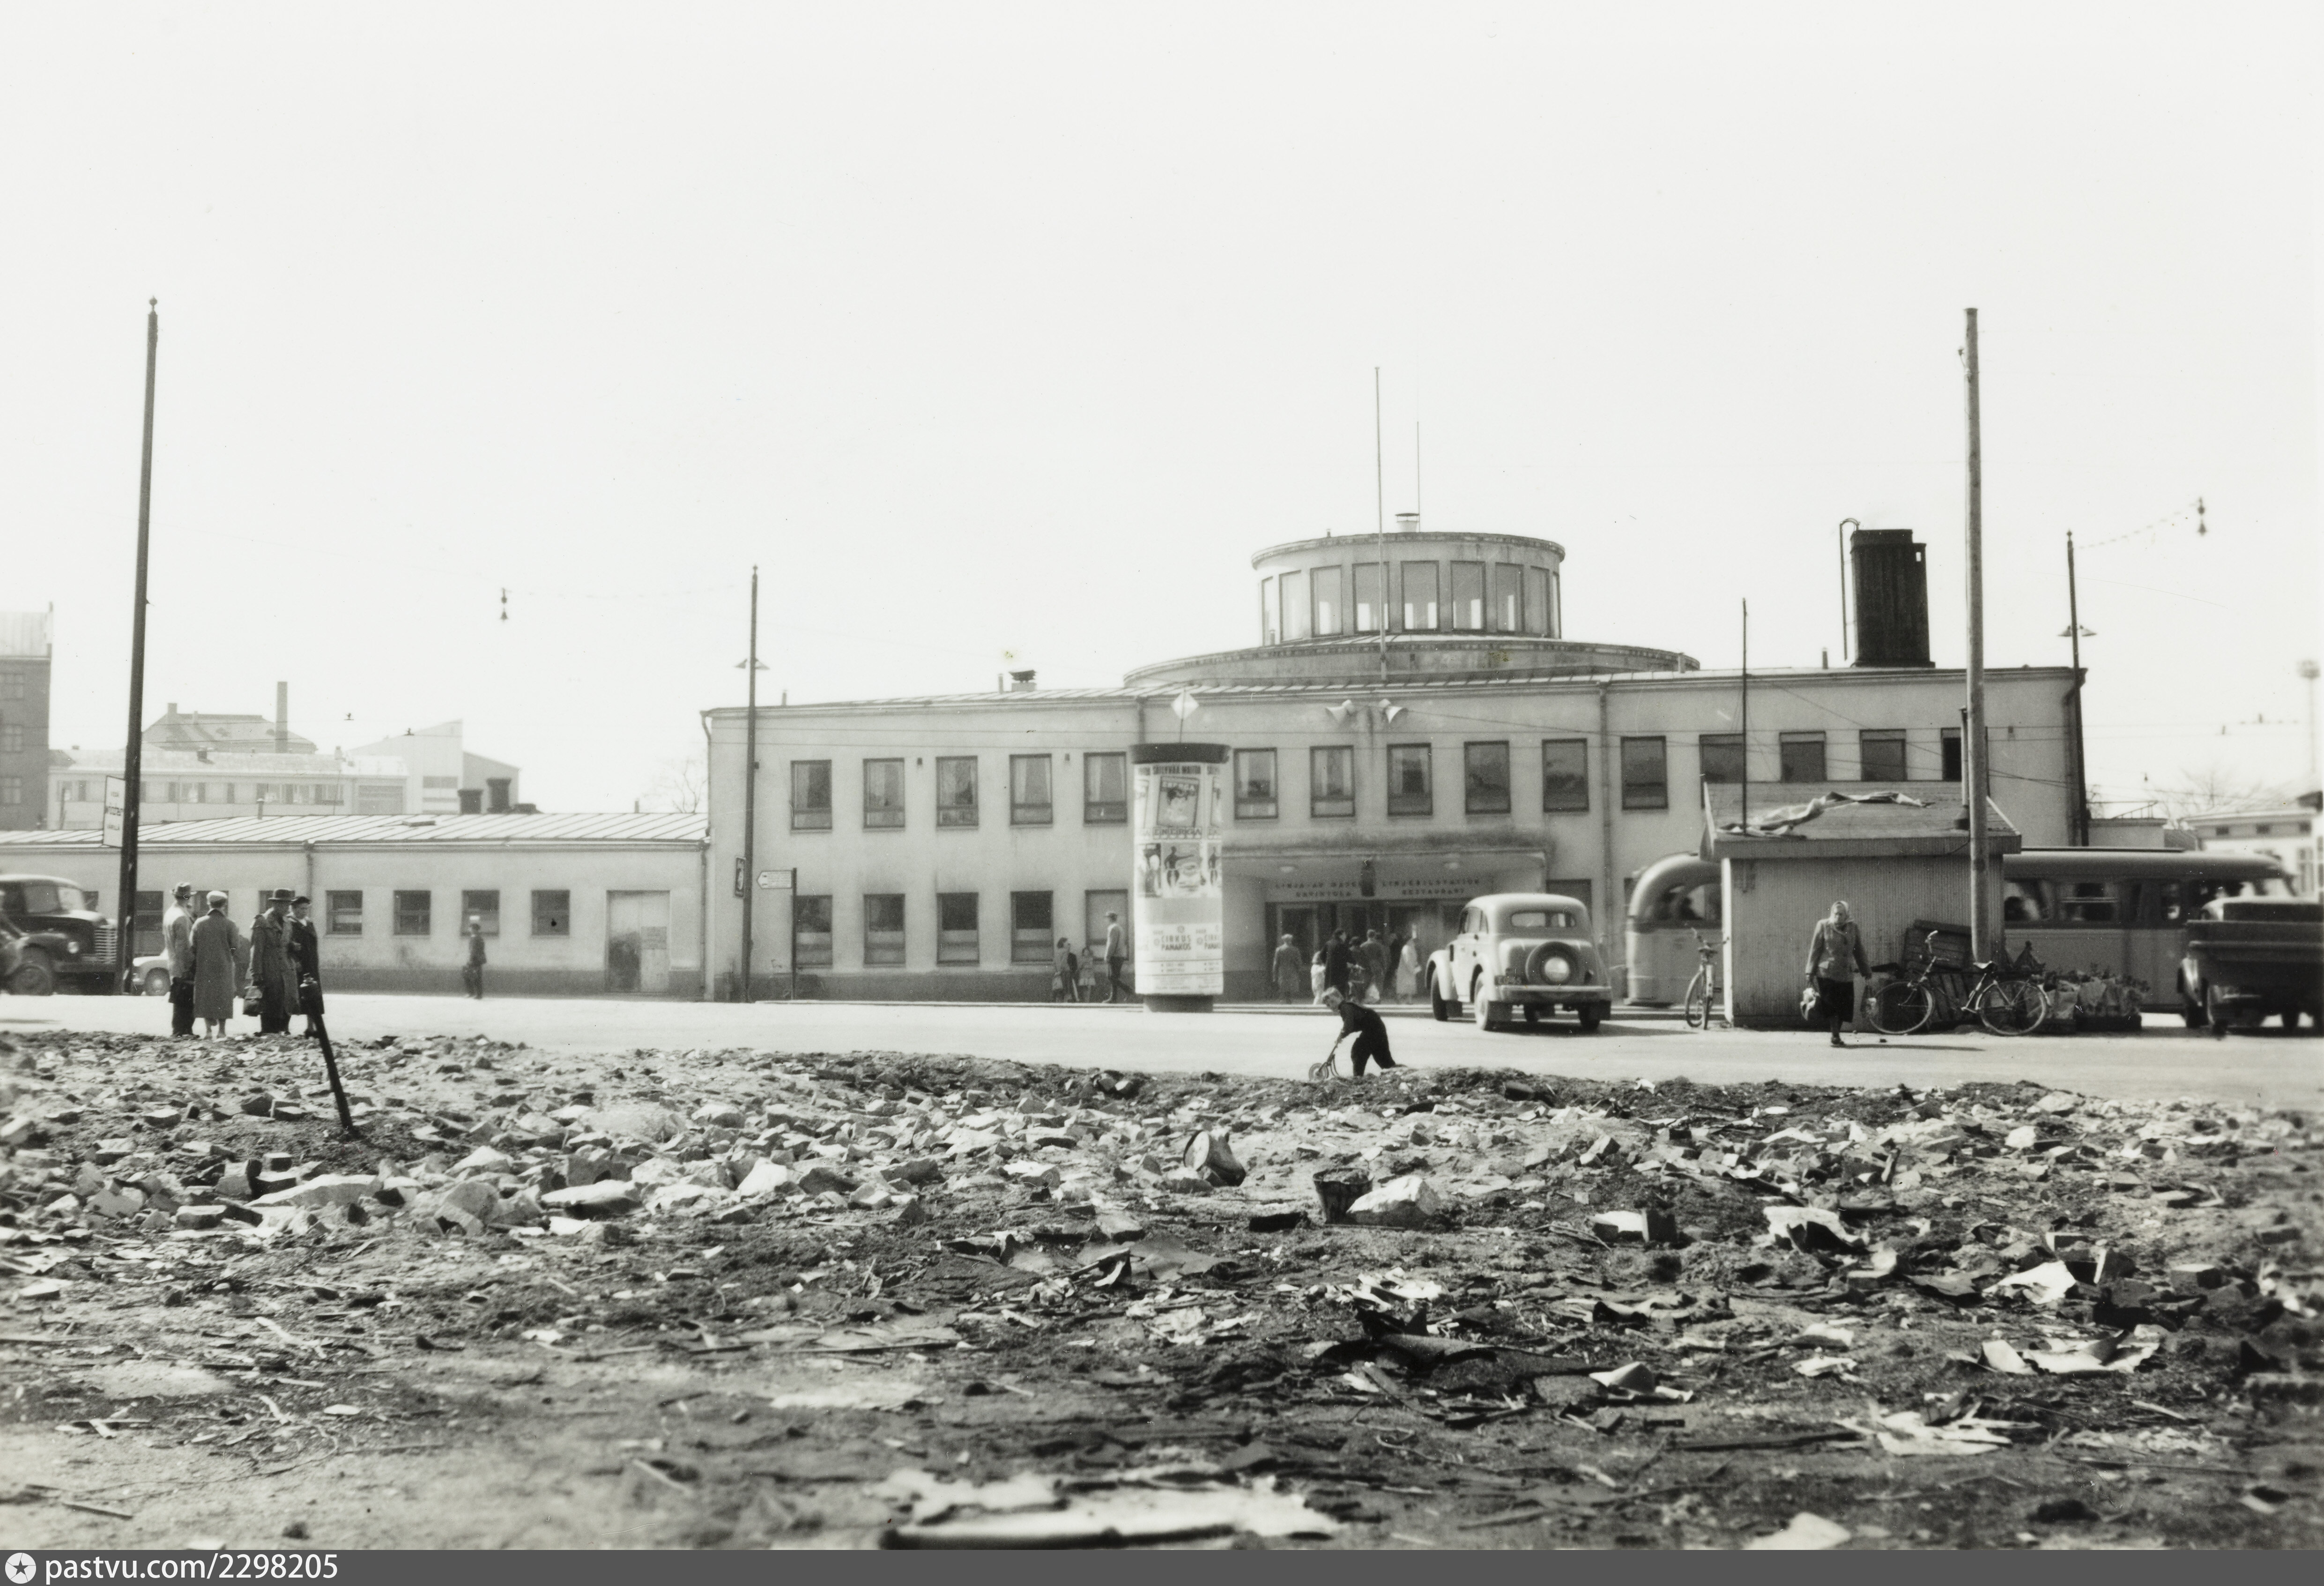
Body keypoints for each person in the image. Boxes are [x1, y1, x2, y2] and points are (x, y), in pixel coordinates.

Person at [1804, 899, 1871, 1047]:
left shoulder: (1853, 927)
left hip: (1846, 973)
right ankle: (1835, 1035)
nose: (1838, 917)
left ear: (1847, 915)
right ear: (1832, 913)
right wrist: (1810, 972)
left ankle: (1836, 1033)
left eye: (1841, 914)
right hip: (1827, 972)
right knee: (1832, 1005)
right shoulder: (1823, 925)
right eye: (1836, 914)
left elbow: (1858, 950)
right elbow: (1815, 950)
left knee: (1844, 1007)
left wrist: (1866, 970)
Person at [189, 891, 245, 1040]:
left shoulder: (199, 923)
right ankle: (222, 1031)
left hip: (204, 967)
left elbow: (193, 946)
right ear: (224, 905)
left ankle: (208, 1031)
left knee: (206, 996)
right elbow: (235, 946)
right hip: (224, 967)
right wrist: (226, 953)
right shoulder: (230, 924)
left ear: (209, 904)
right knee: (223, 997)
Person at [1316, 987, 1397, 1079]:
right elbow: (1353, 1025)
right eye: (1328, 1005)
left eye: (1333, 1002)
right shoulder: (1347, 1007)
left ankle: (1358, 1078)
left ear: (1340, 998)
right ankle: (1397, 1072)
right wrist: (1342, 1035)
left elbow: (1349, 1026)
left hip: (1373, 1029)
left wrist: (1342, 1035)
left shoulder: (1345, 1008)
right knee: (1383, 1059)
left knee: (1358, 1052)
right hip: (1376, 1028)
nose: (1331, 1006)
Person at [248, 889, 296, 1035]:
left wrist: (293, 948)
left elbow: (286, 943)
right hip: (269, 967)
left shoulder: (287, 922)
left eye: (288, 904)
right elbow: (257, 950)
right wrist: (257, 973)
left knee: (288, 1000)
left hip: (286, 967)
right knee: (270, 1001)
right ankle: (269, 1032)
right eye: (283, 904)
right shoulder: (262, 922)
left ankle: (284, 1030)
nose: (287, 908)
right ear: (275, 904)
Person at [162, 883, 197, 1038]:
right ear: (188, 897)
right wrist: (189, 967)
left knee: (179, 999)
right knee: (186, 1000)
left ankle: (180, 1031)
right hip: (183, 964)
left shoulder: (170, 913)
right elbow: (183, 946)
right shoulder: (182, 917)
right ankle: (184, 1031)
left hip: (173, 961)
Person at [287, 895, 324, 1039]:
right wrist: (294, 960)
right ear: (293, 909)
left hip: (311, 965)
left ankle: (311, 1028)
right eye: (301, 909)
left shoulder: (309, 923)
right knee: (292, 996)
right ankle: (285, 1028)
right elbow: (286, 945)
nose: (304, 912)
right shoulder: (289, 923)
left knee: (313, 997)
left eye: (306, 909)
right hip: (296, 965)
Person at [1271, 933, 1305, 1003]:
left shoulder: (1279, 950)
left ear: (1284, 940)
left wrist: (1275, 973)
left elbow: (1276, 963)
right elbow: (1299, 962)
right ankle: (1289, 999)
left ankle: (1284, 998)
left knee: (1283, 985)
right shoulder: (1295, 950)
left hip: (1282, 970)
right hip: (1292, 970)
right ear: (1291, 940)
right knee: (1291, 985)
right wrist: (1299, 969)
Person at [1103, 911, 1128, 1003]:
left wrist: (1108, 956)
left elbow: (1112, 944)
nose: (1106, 920)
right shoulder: (1119, 928)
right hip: (1120, 955)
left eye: (1106, 918)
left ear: (1110, 919)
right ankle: (1113, 998)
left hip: (1115, 956)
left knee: (1111, 977)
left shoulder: (1113, 928)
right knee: (1114, 977)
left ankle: (1129, 990)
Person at [1360, 929, 1390, 1005]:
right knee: (1378, 983)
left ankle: (1367, 999)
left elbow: (1360, 958)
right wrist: (1385, 968)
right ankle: (1377, 999)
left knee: (1366, 983)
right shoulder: (1379, 946)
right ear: (1375, 936)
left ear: (1367, 936)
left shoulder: (1362, 946)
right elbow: (1383, 958)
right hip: (1377, 966)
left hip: (1366, 966)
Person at [463, 916, 488, 998]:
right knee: (476, 977)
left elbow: (473, 950)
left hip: (474, 960)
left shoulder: (475, 938)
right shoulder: (480, 938)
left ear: (473, 929)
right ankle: (477, 994)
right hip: (479, 959)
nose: (469, 930)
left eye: (470, 928)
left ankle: (473, 993)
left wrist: (470, 960)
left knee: (470, 976)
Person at [1323, 932, 1351, 1001]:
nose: (1345, 937)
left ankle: (1329, 1001)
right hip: (1340, 970)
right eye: (1344, 935)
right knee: (1341, 989)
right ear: (1340, 935)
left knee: (1330, 988)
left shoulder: (1328, 944)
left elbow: (1322, 955)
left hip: (1330, 970)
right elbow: (1349, 958)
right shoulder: (1342, 945)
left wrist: (1328, 964)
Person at [1052, 936, 1080, 1002]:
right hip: (1066, 972)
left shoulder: (1057, 952)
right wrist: (1061, 970)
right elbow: (1064, 962)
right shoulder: (1065, 951)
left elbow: (1054, 963)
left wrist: (1057, 971)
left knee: (1059, 989)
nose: (1068, 944)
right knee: (1067, 990)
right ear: (1063, 943)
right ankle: (1066, 1003)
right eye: (1067, 943)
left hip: (1058, 973)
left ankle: (1059, 1003)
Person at [1396, 934, 1421, 1003]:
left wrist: (1416, 967)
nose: (1413, 942)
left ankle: (1409, 1001)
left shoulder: (1411, 948)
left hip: (1410, 970)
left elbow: (1414, 959)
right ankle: (1399, 999)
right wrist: (1412, 969)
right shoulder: (1406, 948)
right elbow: (1408, 960)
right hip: (1406, 970)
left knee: (1410, 986)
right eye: (1411, 940)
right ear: (1408, 941)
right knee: (1405, 986)